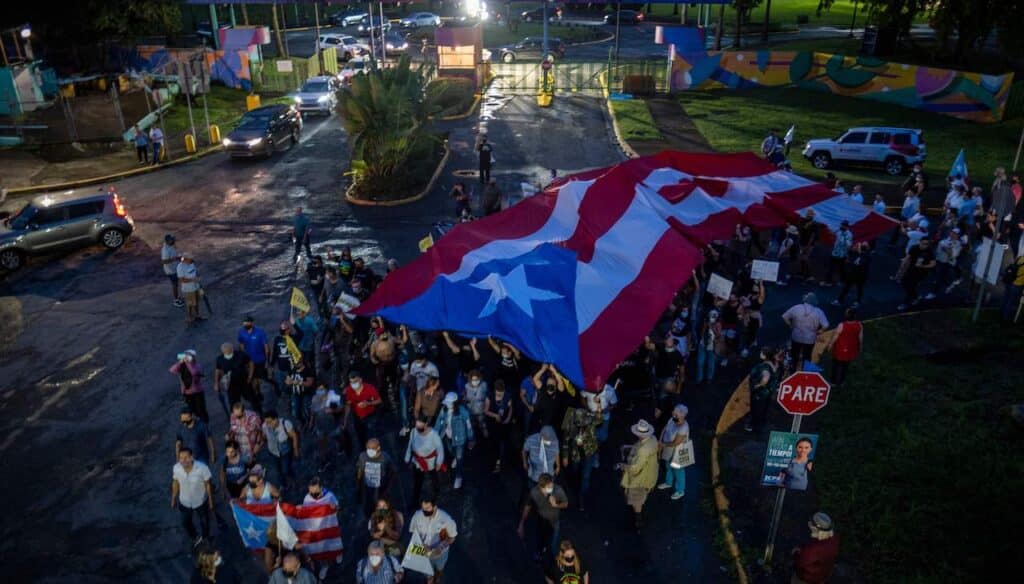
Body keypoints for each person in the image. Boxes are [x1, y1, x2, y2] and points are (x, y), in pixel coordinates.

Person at [560, 401, 602, 511]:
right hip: (575, 454)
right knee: (574, 472)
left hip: (589, 453)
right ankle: (574, 484)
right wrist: (564, 456)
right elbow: (565, 441)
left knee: (585, 477)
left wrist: (598, 407)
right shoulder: (570, 424)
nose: (581, 426)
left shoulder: (591, 419)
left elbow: (599, 419)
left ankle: (581, 498)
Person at [618, 419, 659, 530]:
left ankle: (638, 519)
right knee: (640, 497)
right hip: (651, 472)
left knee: (637, 499)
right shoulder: (653, 439)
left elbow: (635, 469)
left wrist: (623, 466)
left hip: (641, 478)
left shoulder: (643, 450)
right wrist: (628, 447)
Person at [517, 473, 569, 560]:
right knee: (540, 540)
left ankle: (553, 560)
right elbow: (527, 507)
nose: (551, 489)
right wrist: (521, 524)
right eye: (548, 487)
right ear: (541, 487)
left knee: (553, 544)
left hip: (554, 522)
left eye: (551, 486)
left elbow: (566, 504)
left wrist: (556, 505)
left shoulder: (558, 490)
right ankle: (539, 552)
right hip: (541, 521)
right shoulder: (534, 492)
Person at [408, 495, 458, 584]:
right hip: (422, 551)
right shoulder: (417, 516)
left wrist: (441, 547)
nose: (424, 512)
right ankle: (430, 579)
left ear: (435, 507)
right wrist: (421, 545)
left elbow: (452, 537)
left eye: (427, 508)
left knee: (440, 568)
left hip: (440, 553)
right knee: (427, 572)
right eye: (423, 508)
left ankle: (438, 578)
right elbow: (413, 533)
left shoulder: (446, 519)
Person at [171, 447, 213, 547]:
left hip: (200, 501)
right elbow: (175, 483)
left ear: (191, 457)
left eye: (186, 457)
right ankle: (195, 537)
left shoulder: (202, 468)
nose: (183, 460)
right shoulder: (176, 468)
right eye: (181, 458)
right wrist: (173, 498)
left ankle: (206, 538)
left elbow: (208, 484)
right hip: (184, 502)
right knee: (185, 522)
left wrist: (211, 501)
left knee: (204, 523)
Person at [435, 392, 474, 490]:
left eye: (449, 402)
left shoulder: (463, 411)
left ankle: (458, 477)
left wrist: (471, 439)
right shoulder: (443, 410)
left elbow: (469, 426)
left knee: (459, 457)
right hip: (448, 437)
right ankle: (455, 458)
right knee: (451, 451)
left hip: (460, 439)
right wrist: (434, 436)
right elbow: (438, 423)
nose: (447, 404)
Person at [782, 293, 829, 369]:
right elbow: (826, 325)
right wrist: (820, 331)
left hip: (796, 336)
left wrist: (791, 325)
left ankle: (793, 369)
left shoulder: (796, 307)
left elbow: (784, 317)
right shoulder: (818, 311)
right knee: (807, 356)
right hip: (810, 338)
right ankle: (805, 371)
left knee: (794, 354)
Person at [791, 512, 840, 584]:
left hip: (808, 578)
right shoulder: (834, 539)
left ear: (816, 529)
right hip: (823, 574)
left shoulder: (814, 549)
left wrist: (796, 554)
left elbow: (800, 562)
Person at [405, 415, 444, 504]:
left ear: (426, 424)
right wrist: (407, 457)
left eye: (420, 426)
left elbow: (440, 449)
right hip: (417, 461)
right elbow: (410, 444)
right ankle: (415, 499)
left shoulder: (434, 435)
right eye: (417, 425)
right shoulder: (414, 431)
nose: (417, 428)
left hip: (430, 462)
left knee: (433, 477)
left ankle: (436, 494)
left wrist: (439, 462)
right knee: (417, 481)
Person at [356, 438, 398, 518]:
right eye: (367, 448)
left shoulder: (385, 458)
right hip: (367, 487)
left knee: (382, 505)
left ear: (378, 448)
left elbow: (394, 471)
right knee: (368, 504)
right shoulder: (363, 456)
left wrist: (389, 487)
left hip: (381, 488)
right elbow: (360, 470)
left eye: (371, 448)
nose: (369, 451)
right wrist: (358, 484)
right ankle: (369, 517)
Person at [258, 410, 300, 488]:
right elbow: (264, 437)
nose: (268, 424)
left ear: (276, 419)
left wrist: (295, 450)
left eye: (270, 422)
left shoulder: (285, 424)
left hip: (285, 452)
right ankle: (283, 485)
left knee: (286, 470)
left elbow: (294, 436)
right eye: (266, 422)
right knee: (278, 471)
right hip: (273, 452)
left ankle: (293, 479)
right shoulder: (265, 426)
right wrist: (258, 445)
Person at [656, 404, 689, 501]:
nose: (673, 414)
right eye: (673, 412)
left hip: (678, 450)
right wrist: (660, 439)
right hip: (668, 446)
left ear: (682, 415)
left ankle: (680, 491)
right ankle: (668, 483)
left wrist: (663, 445)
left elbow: (676, 442)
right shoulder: (672, 419)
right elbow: (665, 429)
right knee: (668, 465)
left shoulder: (684, 427)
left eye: (676, 413)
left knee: (678, 471)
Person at [214, 342, 255, 418]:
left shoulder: (240, 355)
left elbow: (251, 363)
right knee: (233, 404)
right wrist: (216, 383)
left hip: (244, 383)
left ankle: (257, 414)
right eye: (226, 353)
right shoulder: (220, 359)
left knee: (252, 399)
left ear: (232, 349)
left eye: (229, 352)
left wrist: (250, 376)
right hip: (231, 386)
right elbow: (217, 371)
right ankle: (235, 420)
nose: (227, 354)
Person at [745, 347, 780, 434]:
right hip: (767, 393)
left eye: (762, 353)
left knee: (756, 411)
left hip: (759, 394)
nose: (760, 354)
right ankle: (760, 427)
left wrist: (757, 385)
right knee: (763, 411)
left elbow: (765, 378)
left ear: (765, 355)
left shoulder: (764, 366)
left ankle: (755, 429)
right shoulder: (773, 364)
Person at [344, 371, 383, 449]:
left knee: (372, 437)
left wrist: (368, 403)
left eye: (355, 381)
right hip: (357, 417)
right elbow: (348, 404)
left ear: (360, 380)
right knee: (361, 438)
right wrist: (345, 419)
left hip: (370, 416)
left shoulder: (369, 388)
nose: (353, 384)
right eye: (351, 382)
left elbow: (379, 400)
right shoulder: (349, 390)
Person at [238, 315, 272, 401]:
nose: (245, 324)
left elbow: (266, 347)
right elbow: (241, 345)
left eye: (247, 322)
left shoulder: (260, 332)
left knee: (260, 378)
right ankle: (257, 393)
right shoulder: (241, 332)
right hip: (249, 362)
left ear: (252, 323)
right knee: (253, 378)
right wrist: (243, 358)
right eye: (244, 323)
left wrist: (267, 361)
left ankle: (259, 390)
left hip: (260, 360)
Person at [485, 379, 515, 474]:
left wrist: (508, 418)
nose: (500, 396)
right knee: (494, 443)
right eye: (498, 393)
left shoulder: (507, 395)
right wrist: (495, 416)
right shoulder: (489, 396)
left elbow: (510, 408)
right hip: (493, 423)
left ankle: (503, 461)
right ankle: (496, 461)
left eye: (501, 393)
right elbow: (486, 410)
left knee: (505, 442)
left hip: (504, 422)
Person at [826, 308, 862, 387]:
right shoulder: (859, 325)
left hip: (840, 349)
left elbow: (835, 337)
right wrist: (859, 348)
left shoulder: (842, 325)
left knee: (835, 366)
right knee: (845, 366)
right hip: (851, 349)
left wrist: (830, 345)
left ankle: (833, 382)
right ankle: (842, 382)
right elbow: (860, 338)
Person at [170, 350, 209, 423]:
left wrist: (188, 363)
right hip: (187, 393)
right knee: (192, 411)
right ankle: (196, 425)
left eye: (189, 356)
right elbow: (172, 370)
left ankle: (205, 425)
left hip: (197, 392)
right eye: (186, 355)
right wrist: (180, 362)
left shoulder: (197, 365)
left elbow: (193, 372)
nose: (187, 358)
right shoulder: (182, 366)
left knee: (201, 410)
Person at [897, 238, 936, 311]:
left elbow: (933, 264)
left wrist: (923, 266)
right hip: (911, 270)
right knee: (904, 283)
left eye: (927, 244)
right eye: (923, 243)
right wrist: (902, 268)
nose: (925, 245)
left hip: (921, 273)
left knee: (911, 286)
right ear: (919, 242)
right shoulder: (914, 248)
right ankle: (916, 297)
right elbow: (907, 257)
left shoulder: (929, 251)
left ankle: (905, 303)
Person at [833, 242, 870, 308]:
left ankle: (842, 300)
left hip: (859, 275)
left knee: (855, 288)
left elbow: (858, 263)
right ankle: (842, 300)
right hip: (856, 274)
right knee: (851, 288)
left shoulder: (865, 256)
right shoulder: (862, 255)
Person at [822, 221, 853, 287]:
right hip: (835, 252)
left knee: (841, 269)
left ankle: (843, 281)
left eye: (842, 226)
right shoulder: (839, 231)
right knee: (831, 267)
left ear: (846, 227)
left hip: (842, 255)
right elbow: (833, 234)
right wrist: (830, 231)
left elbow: (849, 245)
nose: (840, 227)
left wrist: (847, 255)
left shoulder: (849, 234)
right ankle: (828, 281)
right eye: (841, 225)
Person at [177, 252, 202, 327]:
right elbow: (181, 280)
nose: (192, 260)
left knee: (196, 302)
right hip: (188, 289)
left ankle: (197, 315)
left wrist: (197, 280)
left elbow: (195, 273)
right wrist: (193, 280)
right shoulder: (180, 267)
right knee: (189, 304)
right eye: (190, 259)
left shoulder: (191, 263)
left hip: (196, 287)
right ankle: (189, 317)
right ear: (185, 259)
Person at [161, 234, 183, 307]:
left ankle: (178, 297)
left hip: (175, 268)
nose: (174, 240)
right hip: (171, 271)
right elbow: (164, 261)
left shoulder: (171, 245)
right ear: (167, 241)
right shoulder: (165, 250)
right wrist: (175, 259)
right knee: (175, 285)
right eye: (172, 240)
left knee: (176, 284)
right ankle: (176, 300)